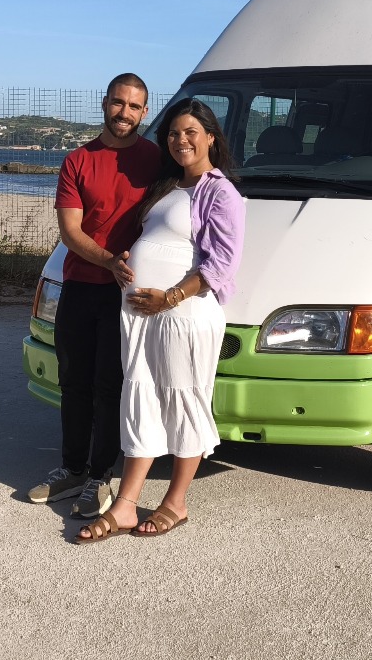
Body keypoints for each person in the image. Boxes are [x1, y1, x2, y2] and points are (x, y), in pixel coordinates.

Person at [78, 98, 244, 542]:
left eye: (191, 132)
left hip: (183, 316)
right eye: (173, 133)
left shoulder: (221, 193)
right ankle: (126, 505)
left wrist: (169, 297)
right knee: (143, 400)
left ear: (212, 138)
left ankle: (176, 502)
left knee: (184, 401)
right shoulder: (168, 185)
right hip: (144, 317)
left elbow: (221, 264)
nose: (180, 140)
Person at [28, 73, 160, 519]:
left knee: (110, 386)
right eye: (118, 103)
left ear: (145, 112)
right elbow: (70, 231)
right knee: (74, 383)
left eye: (134, 106)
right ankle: (71, 469)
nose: (125, 113)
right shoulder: (78, 161)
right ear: (105, 103)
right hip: (82, 287)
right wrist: (108, 261)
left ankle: (102, 476)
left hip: (128, 294)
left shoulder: (156, 161)